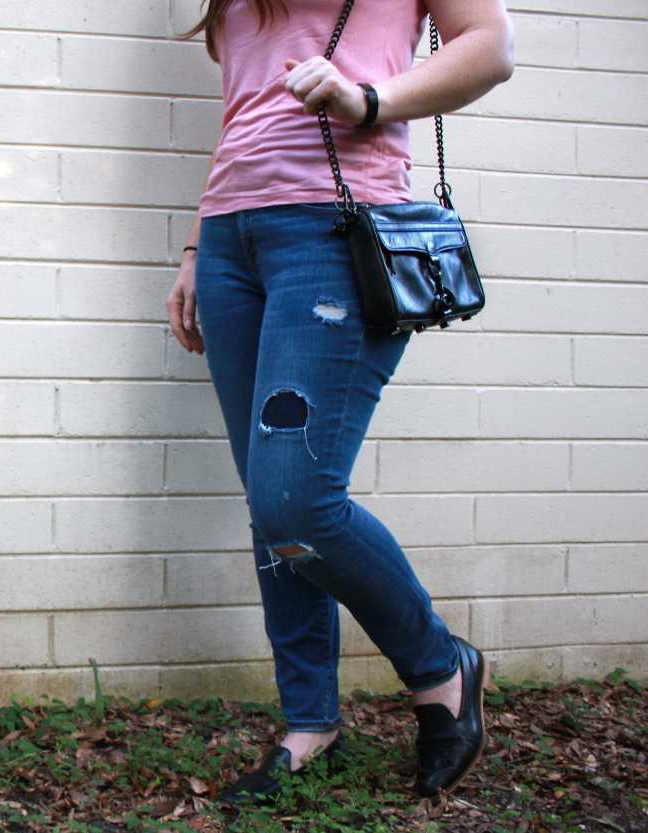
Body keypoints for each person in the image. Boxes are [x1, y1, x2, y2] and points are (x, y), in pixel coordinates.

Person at [170, 0, 515, 804]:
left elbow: (490, 46)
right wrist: (196, 246)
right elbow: (244, 111)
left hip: (335, 231)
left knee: (297, 499)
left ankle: (441, 668)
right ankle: (309, 719)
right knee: (269, 504)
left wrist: (371, 100)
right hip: (231, 242)